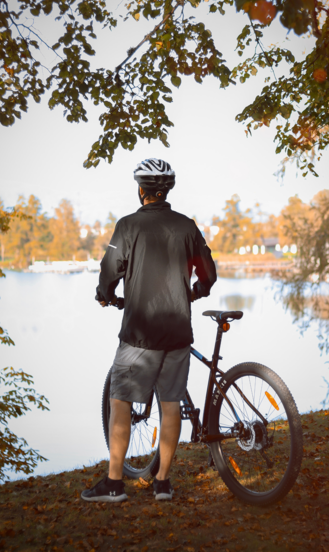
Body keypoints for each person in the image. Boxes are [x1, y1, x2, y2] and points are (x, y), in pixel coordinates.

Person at [81, 158, 217, 503]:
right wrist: (192, 293)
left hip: (139, 333)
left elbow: (110, 268)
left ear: (141, 190)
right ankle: (162, 484)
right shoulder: (187, 227)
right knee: (171, 403)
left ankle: (114, 484)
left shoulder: (128, 226)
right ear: (167, 190)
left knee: (121, 399)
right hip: (178, 332)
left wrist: (105, 294)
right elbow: (209, 275)